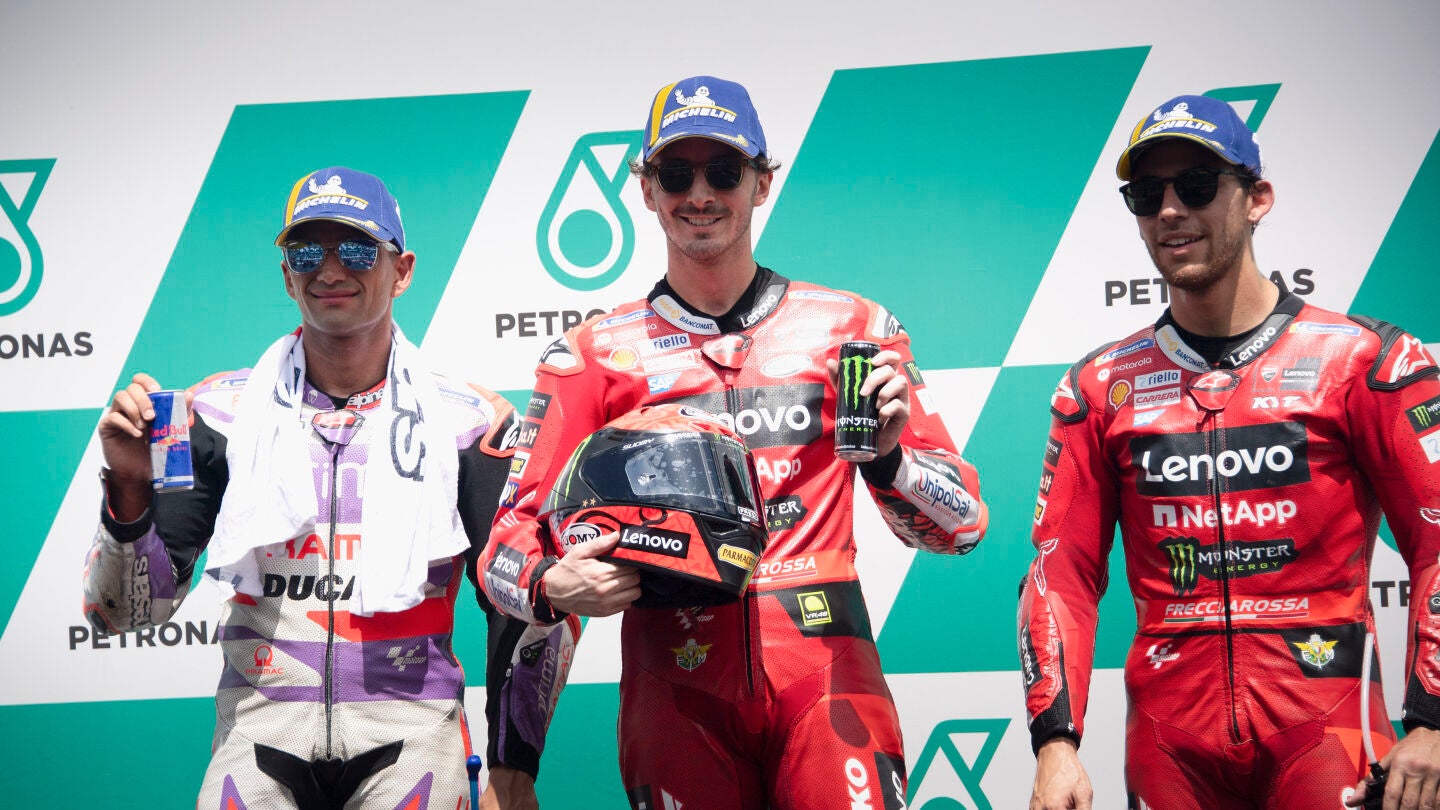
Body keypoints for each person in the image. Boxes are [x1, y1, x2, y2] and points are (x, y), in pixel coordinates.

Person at [478, 75, 988, 809]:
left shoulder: (853, 328)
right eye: (676, 174)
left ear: (762, 182)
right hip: (673, 689)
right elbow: (505, 544)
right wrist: (548, 585)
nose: (700, 194)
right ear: (645, 189)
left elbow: (963, 525)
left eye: (723, 171)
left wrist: (888, 461)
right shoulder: (591, 355)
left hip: (828, 677)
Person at [82, 166, 577, 810]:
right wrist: (127, 490)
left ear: (402, 270)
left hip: (413, 737)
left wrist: (514, 770)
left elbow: (521, 606)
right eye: (306, 252)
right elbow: (123, 614)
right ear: (287, 275)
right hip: (258, 735)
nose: (330, 269)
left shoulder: (470, 423)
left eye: (358, 249)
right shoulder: (217, 416)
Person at [1017, 94, 1440, 810]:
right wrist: (1055, 742)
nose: (1170, 210)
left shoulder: (1365, 360)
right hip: (1169, 745)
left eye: (1197, 185)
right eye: (1147, 194)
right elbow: (1061, 574)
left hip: (1327, 731)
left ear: (1257, 199)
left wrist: (1433, 719)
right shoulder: (1098, 386)